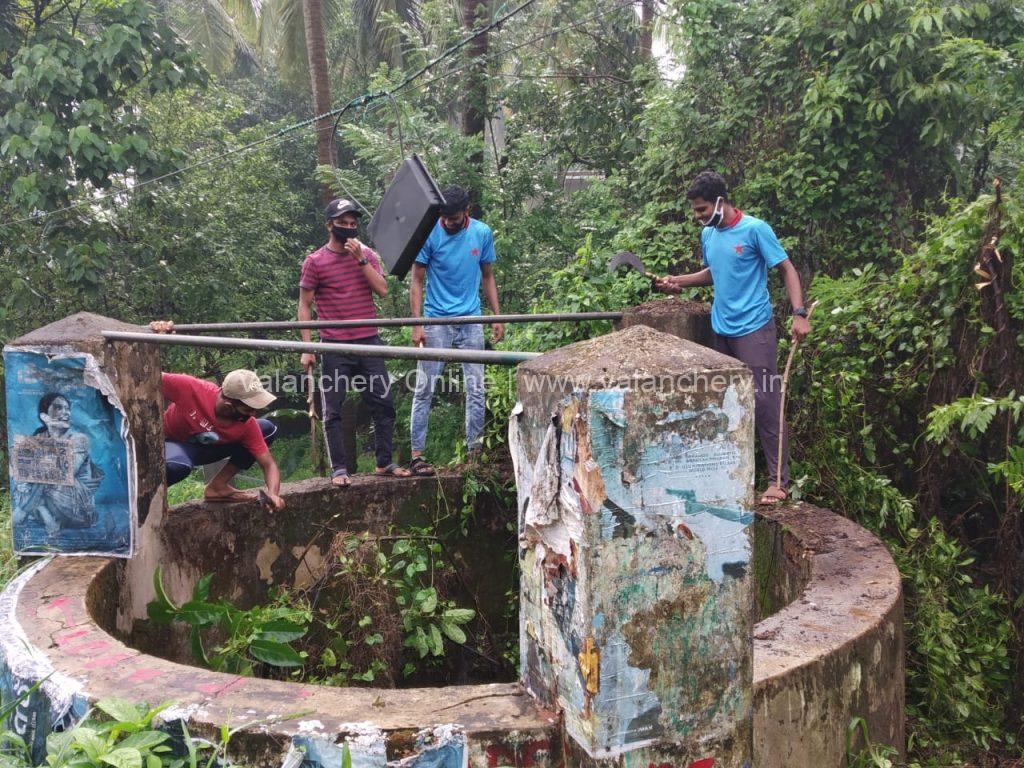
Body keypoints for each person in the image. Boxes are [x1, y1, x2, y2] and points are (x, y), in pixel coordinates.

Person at [654, 170, 811, 505]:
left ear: (720, 202)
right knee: (724, 404)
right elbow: (713, 273)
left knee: (766, 401)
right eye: (695, 210)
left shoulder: (755, 230)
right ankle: (729, 478)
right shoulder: (710, 236)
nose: (697, 217)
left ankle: (778, 482)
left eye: (701, 210)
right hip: (721, 329)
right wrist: (677, 280)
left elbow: (788, 269)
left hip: (754, 328)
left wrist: (799, 314)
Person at [298, 198, 411, 486]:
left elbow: (383, 290)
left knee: (383, 403)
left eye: (352, 224)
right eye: (342, 223)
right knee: (333, 409)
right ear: (329, 225)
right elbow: (304, 305)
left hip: (369, 342)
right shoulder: (315, 262)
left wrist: (360, 259)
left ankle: (383, 463)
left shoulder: (367, 254)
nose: (348, 228)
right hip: (334, 345)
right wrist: (308, 348)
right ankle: (339, 469)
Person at [408, 185, 504, 475]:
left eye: (453, 217)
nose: (448, 222)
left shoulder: (481, 233)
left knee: (476, 387)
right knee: (424, 386)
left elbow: (487, 276)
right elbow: (416, 281)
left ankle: (474, 452)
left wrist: (497, 317)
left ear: (466, 212)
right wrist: (417, 324)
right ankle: (417, 454)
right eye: (444, 217)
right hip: (436, 319)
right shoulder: (429, 234)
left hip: (471, 318)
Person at [144, 354, 286, 510]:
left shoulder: (247, 424)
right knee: (178, 466)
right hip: (171, 444)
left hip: (208, 449)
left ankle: (217, 487)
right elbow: (145, 375)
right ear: (228, 404)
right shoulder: (191, 388)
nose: (253, 413)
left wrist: (273, 494)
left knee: (266, 429)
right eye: (248, 408)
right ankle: (144, 501)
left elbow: (269, 465)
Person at [12, 393, 104, 536]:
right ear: (44, 416)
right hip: (48, 503)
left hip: (77, 507)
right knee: (22, 482)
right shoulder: (39, 437)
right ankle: (47, 517)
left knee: (49, 475)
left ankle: (24, 511)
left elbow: (66, 472)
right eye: (58, 408)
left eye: (67, 408)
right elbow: (22, 469)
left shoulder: (79, 439)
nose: (65, 412)